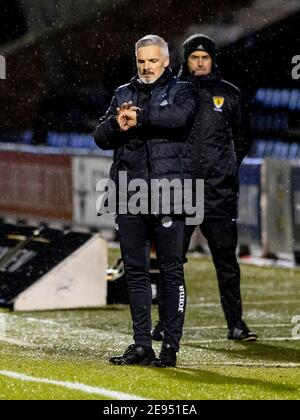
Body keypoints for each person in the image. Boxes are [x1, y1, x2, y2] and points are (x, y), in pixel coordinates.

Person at [93, 35, 197, 367]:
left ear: (166, 61)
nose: (146, 67)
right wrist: (116, 124)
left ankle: (170, 346)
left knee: (171, 270)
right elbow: (99, 137)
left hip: (170, 193)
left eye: (153, 61)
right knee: (136, 271)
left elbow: (179, 119)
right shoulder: (123, 94)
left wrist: (142, 117)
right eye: (141, 61)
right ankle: (141, 345)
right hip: (129, 194)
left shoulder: (182, 90)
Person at [152, 34, 258, 342]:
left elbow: (242, 139)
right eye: (194, 57)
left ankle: (236, 324)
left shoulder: (230, 95)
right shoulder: (169, 93)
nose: (200, 63)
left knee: (226, 261)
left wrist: (225, 168)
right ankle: (165, 325)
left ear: (212, 60)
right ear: (185, 60)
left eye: (205, 57)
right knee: (172, 261)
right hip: (179, 191)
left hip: (217, 193)